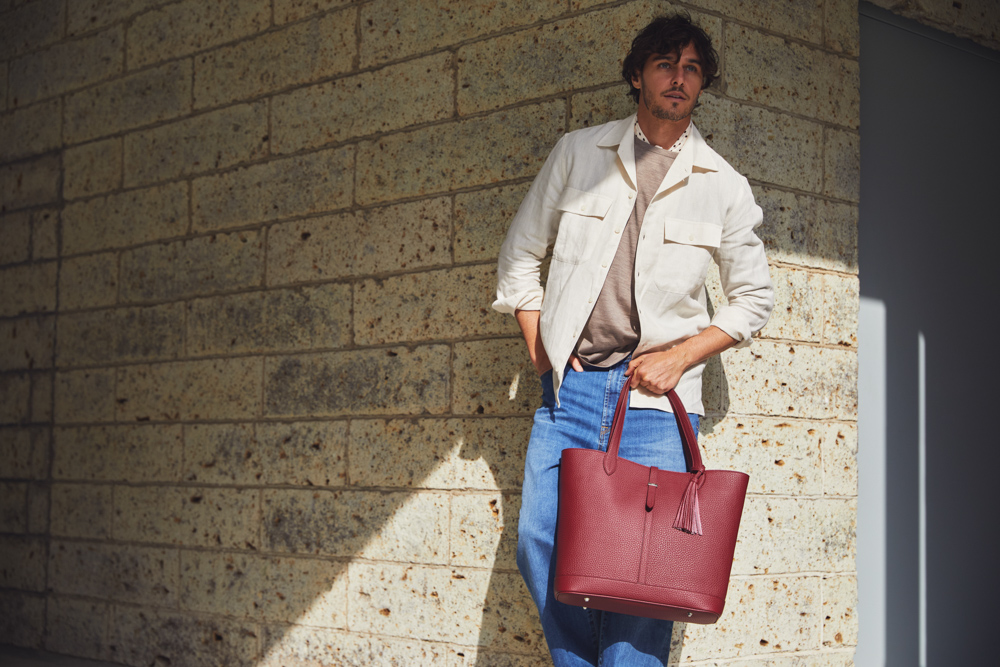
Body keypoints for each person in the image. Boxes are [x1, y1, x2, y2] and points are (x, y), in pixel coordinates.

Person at [492, 13, 775, 667]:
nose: (678, 78)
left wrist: (680, 357)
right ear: (637, 75)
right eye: (665, 64)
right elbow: (518, 260)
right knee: (539, 542)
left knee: (644, 577)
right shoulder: (578, 153)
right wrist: (542, 348)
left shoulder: (723, 185)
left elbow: (754, 298)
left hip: (655, 407)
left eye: (692, 68)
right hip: (569, 394)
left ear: (702, 83)